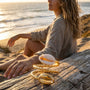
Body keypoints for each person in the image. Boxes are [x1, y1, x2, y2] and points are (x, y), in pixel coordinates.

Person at [0, 0, 81, 79]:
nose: (48, 0)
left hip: (58, 64)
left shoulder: (59, 23)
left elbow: (51, 52)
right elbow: (43, 34)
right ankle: (22, 66)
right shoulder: (64, 19)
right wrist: (20, 35)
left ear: (62, 2)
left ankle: (17, 67)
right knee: (31, 42)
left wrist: (30, 61)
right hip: (63, 58)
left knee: (20, 58)